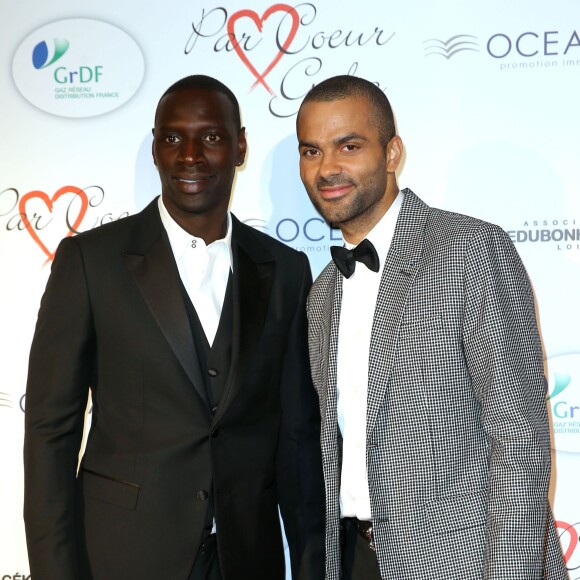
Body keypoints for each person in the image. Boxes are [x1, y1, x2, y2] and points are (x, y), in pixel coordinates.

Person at [23, 75, 325, 580]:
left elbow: (296, 441)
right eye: (172, 138)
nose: (190, 155)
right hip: (122, 557)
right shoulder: (90, 262)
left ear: (240, 146)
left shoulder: (286, 271)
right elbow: (51, 433)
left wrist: (313, 566)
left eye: (210, 137)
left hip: (248, 560)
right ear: (156, 150)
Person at [296, 75, 568, 580]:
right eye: (310, 151)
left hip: (468, 563)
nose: (327, 168)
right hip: (355, 561)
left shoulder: (468, 250)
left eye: (348, 146)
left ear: (392, 152)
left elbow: (519, 441)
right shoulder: (323, 292)